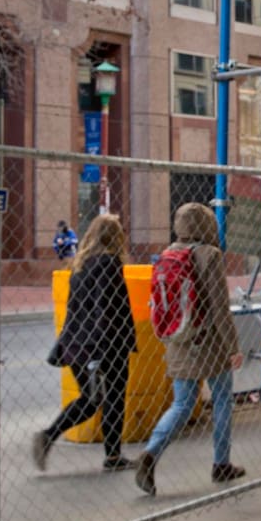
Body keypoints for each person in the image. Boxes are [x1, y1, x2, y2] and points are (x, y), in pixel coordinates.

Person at [135, 203, 244, 496]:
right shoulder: (209, 255)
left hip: (178, 340)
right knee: (222, 399)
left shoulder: (168, 254)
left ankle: (150, 454)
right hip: (209, 343)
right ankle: (221, 463)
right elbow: (219, 307)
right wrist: (233, 346)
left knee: (182, 403)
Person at [34, 214, 137, 472]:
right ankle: (112, 456)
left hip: (75, 345)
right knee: (113, 397)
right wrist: (105, 349)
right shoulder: (109, 264)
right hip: (104, 344)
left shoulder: (80, 266)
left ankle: (49, 435)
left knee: (91, 400)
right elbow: (107, 309)